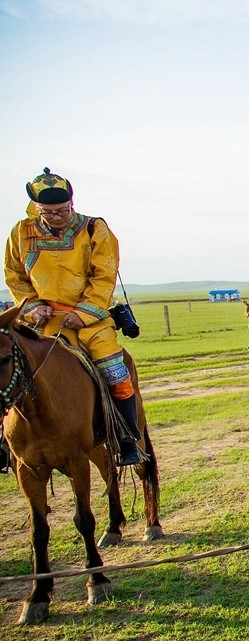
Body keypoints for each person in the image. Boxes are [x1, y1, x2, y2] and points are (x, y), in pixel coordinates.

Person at [4, 168, 148, 465]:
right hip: (41, 323)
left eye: (62, 210)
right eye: (49, 212)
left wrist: (83, 313)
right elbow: (15, 276)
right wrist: (32, 306)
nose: (57, 217)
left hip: (91, 322)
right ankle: (7, 445)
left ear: (72, 203)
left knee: (115, 371)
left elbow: (104, 275)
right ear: (36, 207)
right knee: (8, 370)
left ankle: (126, 438)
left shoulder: (94, 229)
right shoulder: (21, 232)